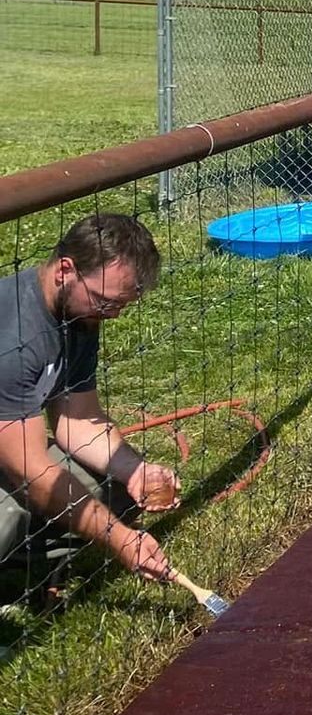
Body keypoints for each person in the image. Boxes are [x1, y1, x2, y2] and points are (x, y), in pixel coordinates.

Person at [0, 214, 179, 601]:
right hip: (17, 460)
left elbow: (77, 420)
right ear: (66, 270)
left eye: (120, 306)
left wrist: (136, 471)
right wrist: (120, 539)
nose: (112, 315)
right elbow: (31, 472)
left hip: (12, 453)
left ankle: (22, 564)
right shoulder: (13, 338)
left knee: (115, 489)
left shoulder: (78, 315)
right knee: (13, 515)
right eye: (106, 302)